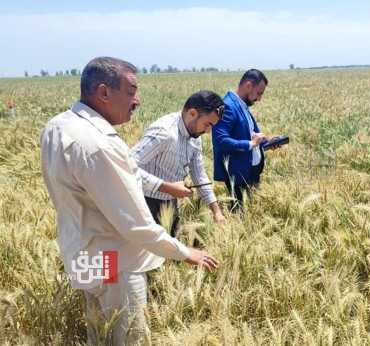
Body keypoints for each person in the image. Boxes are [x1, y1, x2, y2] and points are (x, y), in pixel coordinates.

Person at [40, 57, 219, 345]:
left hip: (83, 253)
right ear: (104, 92)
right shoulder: (98, 144)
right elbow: (136, 224)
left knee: (98, 333)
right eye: (132, 91)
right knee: (127, 338)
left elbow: (130, 172)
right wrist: (185, 252)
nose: (137, 100)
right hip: (115, 261)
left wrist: (165, 187)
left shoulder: (59, 126)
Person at [131, 90, 226, 239]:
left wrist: (216, 211)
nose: (208, 131)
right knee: (150, 257)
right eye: (207, 124)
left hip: (170, 203)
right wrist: (167, 187)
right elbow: (127, 167)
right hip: (144, 203)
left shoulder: (195, 136)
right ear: (192, 113)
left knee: (171, 253)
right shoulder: (164, 132)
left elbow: (199, 175)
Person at [212, 69, 281, 212]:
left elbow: (250, 136)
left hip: (250, 172)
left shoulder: (241, 105)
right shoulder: (228, 106)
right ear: (248, 86)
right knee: (239, 215)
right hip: (237, 175)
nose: (259, 98)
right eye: (259, 93)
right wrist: (251, 144)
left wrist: (266, 142)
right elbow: (221, 140)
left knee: (252, 213)